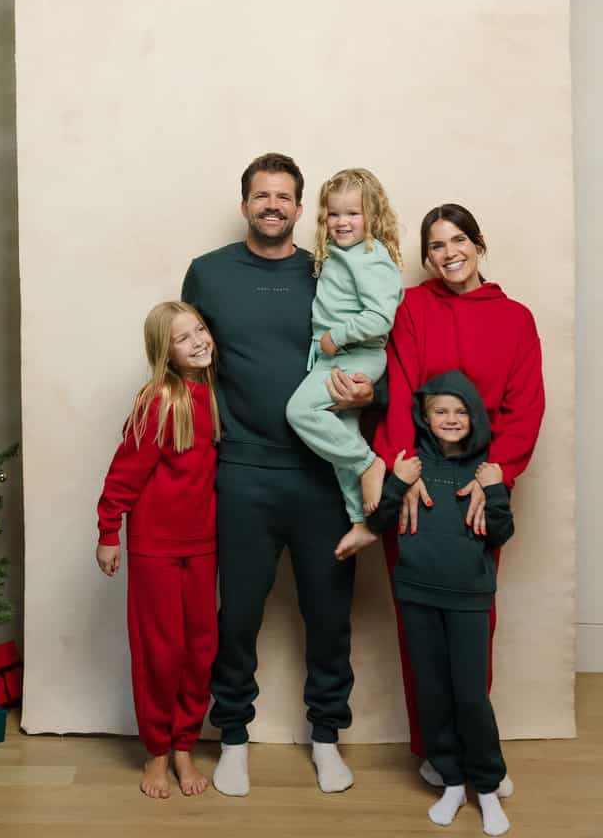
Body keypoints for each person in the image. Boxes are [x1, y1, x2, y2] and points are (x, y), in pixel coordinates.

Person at [334, 203, 544, 794]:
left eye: (458, 241)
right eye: (436, 245)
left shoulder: (517, 319)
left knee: (475, 627)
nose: (448, 253)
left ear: (478, 245)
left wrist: (494, 474)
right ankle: (434, 749)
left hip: (481, 490)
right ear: (425, 257)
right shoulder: (415, 308)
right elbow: (399, 386)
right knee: (418, 629)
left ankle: (478, 755)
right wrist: (405, 469)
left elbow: (526, 407)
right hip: (419, 488)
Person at [182, 153, 370, 797]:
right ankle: (232, 737)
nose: (272, 205)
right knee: (237, 615)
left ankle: (326, 738)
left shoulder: (331, 269)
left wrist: (365, 397)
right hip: (242, 473)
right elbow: (187, 367)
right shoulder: (207, 275)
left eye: (284, 196)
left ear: (299, 207)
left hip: (323, 476)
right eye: (261, 195)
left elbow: (373, 347)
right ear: (245, 205)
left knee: (329, 615)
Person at [369, 370, 513, 837]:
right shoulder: (410, 465)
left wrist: (493, 489)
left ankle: (487, 788)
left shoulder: (487, 469)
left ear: (474, 417)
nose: (451, 419)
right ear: (425, 417)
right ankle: (452, 781)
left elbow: (501, 532)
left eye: (460, 411)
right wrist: (396, 481)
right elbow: (384, 522)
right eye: (440, 411)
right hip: (416, 594)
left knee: (471, 696)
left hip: (470, 598)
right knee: (432, 693)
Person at [95, 301, 221, 799]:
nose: (198, 342)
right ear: (164, 352)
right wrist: (108, 532)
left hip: (203, 544)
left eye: (201, 330)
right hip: (155, 548)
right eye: (183, 338)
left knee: (200, 650)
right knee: (161, 652)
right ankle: (158, 751)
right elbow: (125, 470)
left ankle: (186, 744)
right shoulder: (160, 399)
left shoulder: (213, 395)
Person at [285, 168, 403, 553]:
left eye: (352, 214)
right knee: (342, 442)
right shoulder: (343, 253)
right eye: (334, 214)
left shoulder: (370, 256)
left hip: (355, 356)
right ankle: (361, 521)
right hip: (336, 357)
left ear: (371, 216)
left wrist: (336, 336)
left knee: (301, 412)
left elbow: (380, 317)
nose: (341, 222)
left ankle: (369, 463)